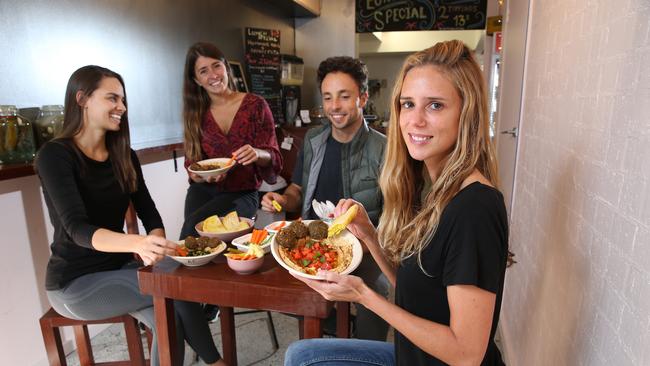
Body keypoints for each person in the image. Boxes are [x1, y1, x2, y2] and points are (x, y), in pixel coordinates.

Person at [284, 40, 509, 365]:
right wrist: (369, 235)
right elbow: (413, 291)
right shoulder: (434, 189)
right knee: (303, 354)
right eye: (407, 104)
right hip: (410, 356)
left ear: (467, 111)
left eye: (435, 106)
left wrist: (364, 295)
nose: (415, 120)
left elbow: (467, 354)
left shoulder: (475, 207)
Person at [35, 65, 226, 366]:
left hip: (120, 269)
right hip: (74, 283)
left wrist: (158, 246)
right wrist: (137, 244)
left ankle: (215, 363)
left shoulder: (124, 155)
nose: (121, 108)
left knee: (170, 315)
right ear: (82, 98)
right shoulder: (55, 155)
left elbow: (149, 212)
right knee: (172, 293)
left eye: (123, 100)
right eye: (112, 98)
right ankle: (217, 363)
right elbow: (76, 228)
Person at [261, 56, 390, 341]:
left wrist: (368, 245)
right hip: (314, 245)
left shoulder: (385, 149)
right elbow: (296, 191)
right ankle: (339, 326)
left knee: (376, 298)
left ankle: (363, 350)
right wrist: (280, 200)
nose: (334, 106)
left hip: (364, 250)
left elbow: (395, 220)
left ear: (363, 98)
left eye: (344, 96)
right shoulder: (313, 139)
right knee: (270, 285)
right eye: (328, 97)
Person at [179, 42, 282, 240]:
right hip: (202, 192)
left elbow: (274, 158)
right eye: (203, 71)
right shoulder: (195, 114)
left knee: (207, 236)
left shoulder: (255, 105)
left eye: (217, 66)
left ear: (226, 66)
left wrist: (257, 153)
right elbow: (193, 167)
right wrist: (205, 176)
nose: (214, 75)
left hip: (242, 193)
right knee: (192, 243)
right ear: (197, 80)